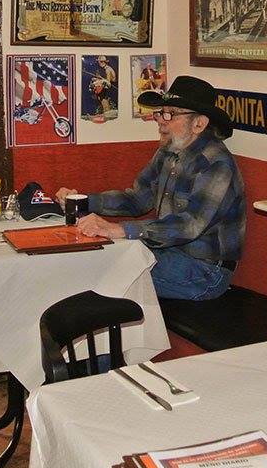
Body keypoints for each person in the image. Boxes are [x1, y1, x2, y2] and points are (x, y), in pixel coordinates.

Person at [56, 76, 246, 301]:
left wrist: (120, 230)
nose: (161, 120)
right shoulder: (168, 151)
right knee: (88, 261)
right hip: (166, 253)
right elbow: (137, 199)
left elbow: (190, 225)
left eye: (170, 114)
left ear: (199, 124)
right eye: (161, 112)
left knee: (98, 273)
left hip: (205, 271)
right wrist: (81, 201)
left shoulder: (215, 163)